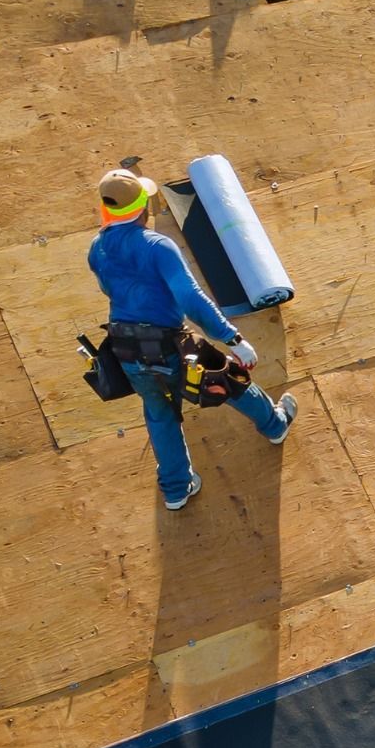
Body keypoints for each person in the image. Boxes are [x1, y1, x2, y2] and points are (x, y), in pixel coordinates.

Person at [87, 168, 296, 509]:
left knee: (158, 412)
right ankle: (275, 425)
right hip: (169, 344)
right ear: (143, 206)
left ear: (106, 209)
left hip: (125, 349)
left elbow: (109, 289)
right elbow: (190, 297)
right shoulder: (158, 246)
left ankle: (176, 489)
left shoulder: (97, 249)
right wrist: (233, 338)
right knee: (228, 380)